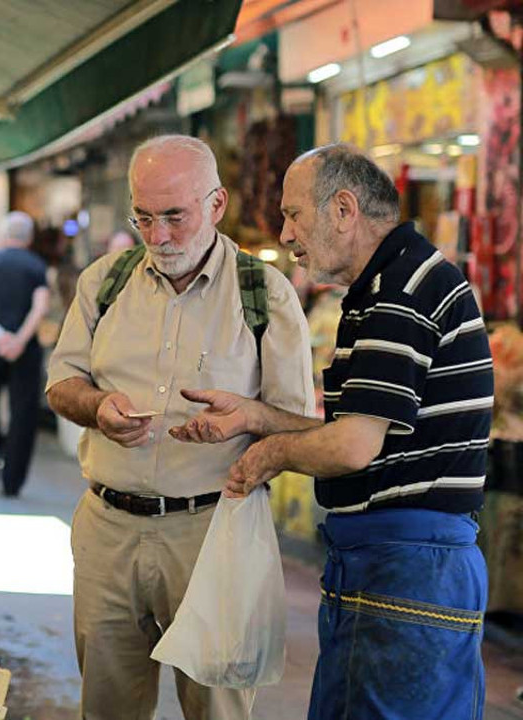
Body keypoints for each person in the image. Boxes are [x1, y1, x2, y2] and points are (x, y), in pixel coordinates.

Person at [172, 144, 493, 720]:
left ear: (343, 209)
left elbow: (351, 448)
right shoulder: (391, 284)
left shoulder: (399, 292)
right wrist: (255, 417)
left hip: (406, 569)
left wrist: (269, 454)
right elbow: (361, 432)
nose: (285, 233)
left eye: (294, 214)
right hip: (403, 565)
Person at [45, 135, 313, 720]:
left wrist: (245, 424)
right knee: (106, 708)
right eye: (143, 217)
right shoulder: (103, 282)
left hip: (213, 533)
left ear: (216, 205)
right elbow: (61, 383)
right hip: (108, 531)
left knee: (216, 706)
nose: (158, 236)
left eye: (174, 216)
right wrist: (98, 407)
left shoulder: (265, 294)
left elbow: (297, 428)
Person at [0, 211, 50, 496]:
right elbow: (40, 308)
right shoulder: (37, 265)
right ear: (29, 237)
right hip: (25, 350)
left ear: (4, 234)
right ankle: (12, 481)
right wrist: (18, 340)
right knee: (23, 414)